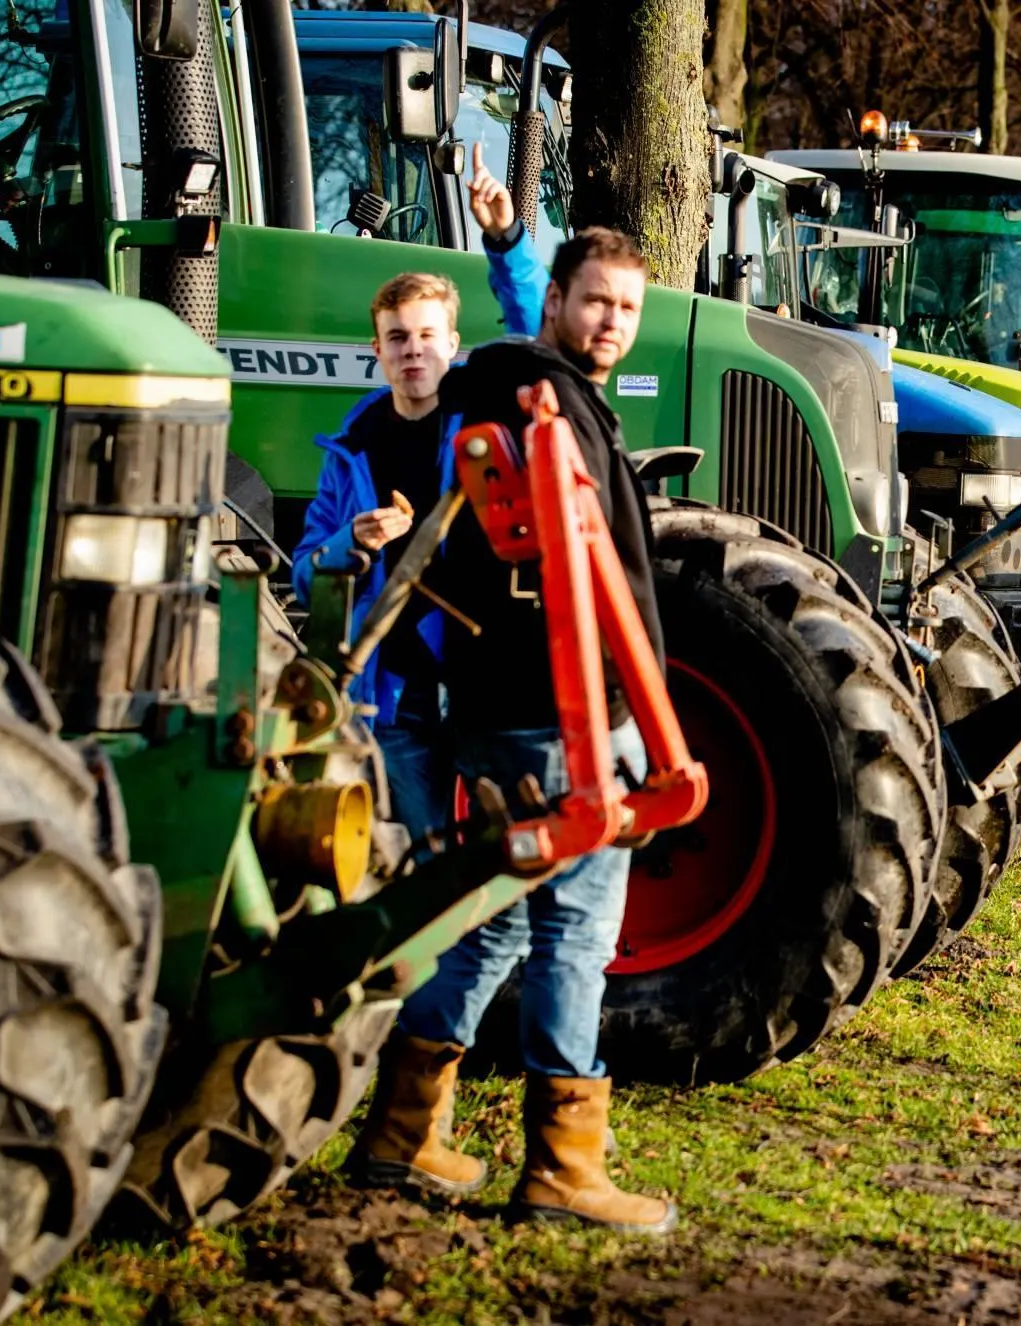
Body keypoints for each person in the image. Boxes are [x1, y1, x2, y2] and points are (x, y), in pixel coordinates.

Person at [350, 153, 674, 1234]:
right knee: (576, 931)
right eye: (597, 301)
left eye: (628, 306)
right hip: (555, 709)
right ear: (562, 302)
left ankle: (401, 1133)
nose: (613, 320)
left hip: (526, 702)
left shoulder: (549, 396)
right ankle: (564, 1165)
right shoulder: (536, 398)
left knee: (490, 927)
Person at [291, 272, 464, 845]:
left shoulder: (483, 431)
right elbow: (301, 576)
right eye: (396, 338)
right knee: (423, 859)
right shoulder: (350, 451)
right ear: (377, 352)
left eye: (425, 335)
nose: (412, 349)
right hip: (396, 695)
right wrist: (350, 542)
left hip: (479, 686)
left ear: (452, 345)